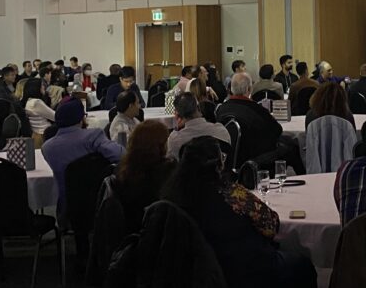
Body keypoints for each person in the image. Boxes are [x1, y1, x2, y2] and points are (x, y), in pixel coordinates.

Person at [162, 137, 316, 288]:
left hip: (196, 273)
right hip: (243, 269)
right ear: (218, 165)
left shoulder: (172, 197)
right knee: (303, 265)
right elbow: (271, 225)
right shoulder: (233, 194)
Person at [42, 99, 124, 217]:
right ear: (81, 118)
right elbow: (120, 155)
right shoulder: (93, 136)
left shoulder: (47, 148)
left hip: (67, 207)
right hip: (99, 202)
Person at [113, 121, 177, 231]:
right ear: (160, 146)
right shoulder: (166, 171)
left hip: (130, 228)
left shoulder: (122, 169)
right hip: (159, 230)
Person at [167, 92, 231, 159]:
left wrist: (176, 129)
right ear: (199, 108)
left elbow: (169, 160)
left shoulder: (175, 140)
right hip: (218, 169)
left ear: (177, 115)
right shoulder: (221, 130)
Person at [23, 78, 55, 145]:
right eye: (42, 85)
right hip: (44, 135)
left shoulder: (29, 101)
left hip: (37, 133)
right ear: (36, 88)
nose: (44, 87)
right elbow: (54, 116)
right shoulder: (36, 102)